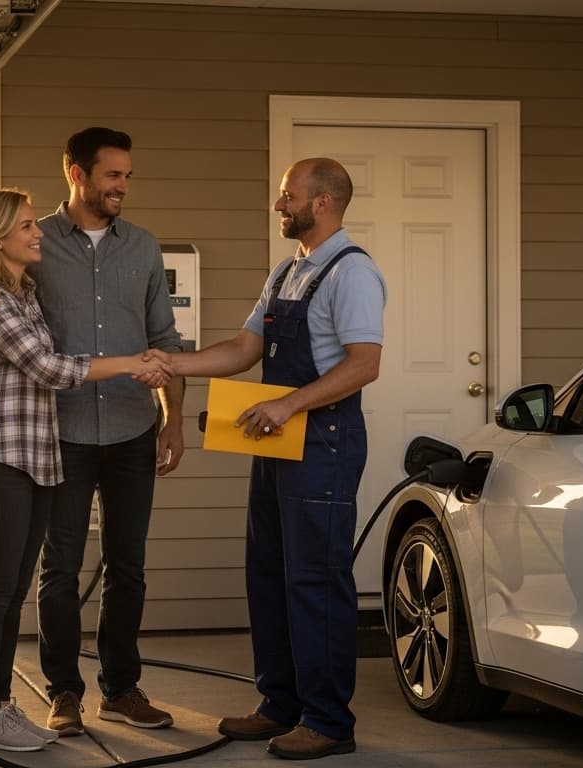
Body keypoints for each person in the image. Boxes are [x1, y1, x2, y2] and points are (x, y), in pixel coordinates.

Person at [0, 127, 185, 736]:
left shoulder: (144, 248)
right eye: (113, 175)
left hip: (132, 425)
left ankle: (121, 689)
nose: (123, 186)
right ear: (78, 174)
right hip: (59, 436)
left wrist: (173, 416)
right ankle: (63, 692)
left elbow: (166, 342)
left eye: (128, 176)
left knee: (128, 565)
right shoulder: (37, 242)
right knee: (57, 569)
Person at [165, 157, 386, 760]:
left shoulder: (351, 273)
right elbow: (243, 348)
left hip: (324, 443)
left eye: (287, 196)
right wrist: (172, 364)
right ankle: (280, 705)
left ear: (322, 203)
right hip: (277, 442)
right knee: (268, 573)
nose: (277, 205)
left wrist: (290, 405)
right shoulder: (288, 272)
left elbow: (364, 363)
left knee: (316, 579)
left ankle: (328, 721)